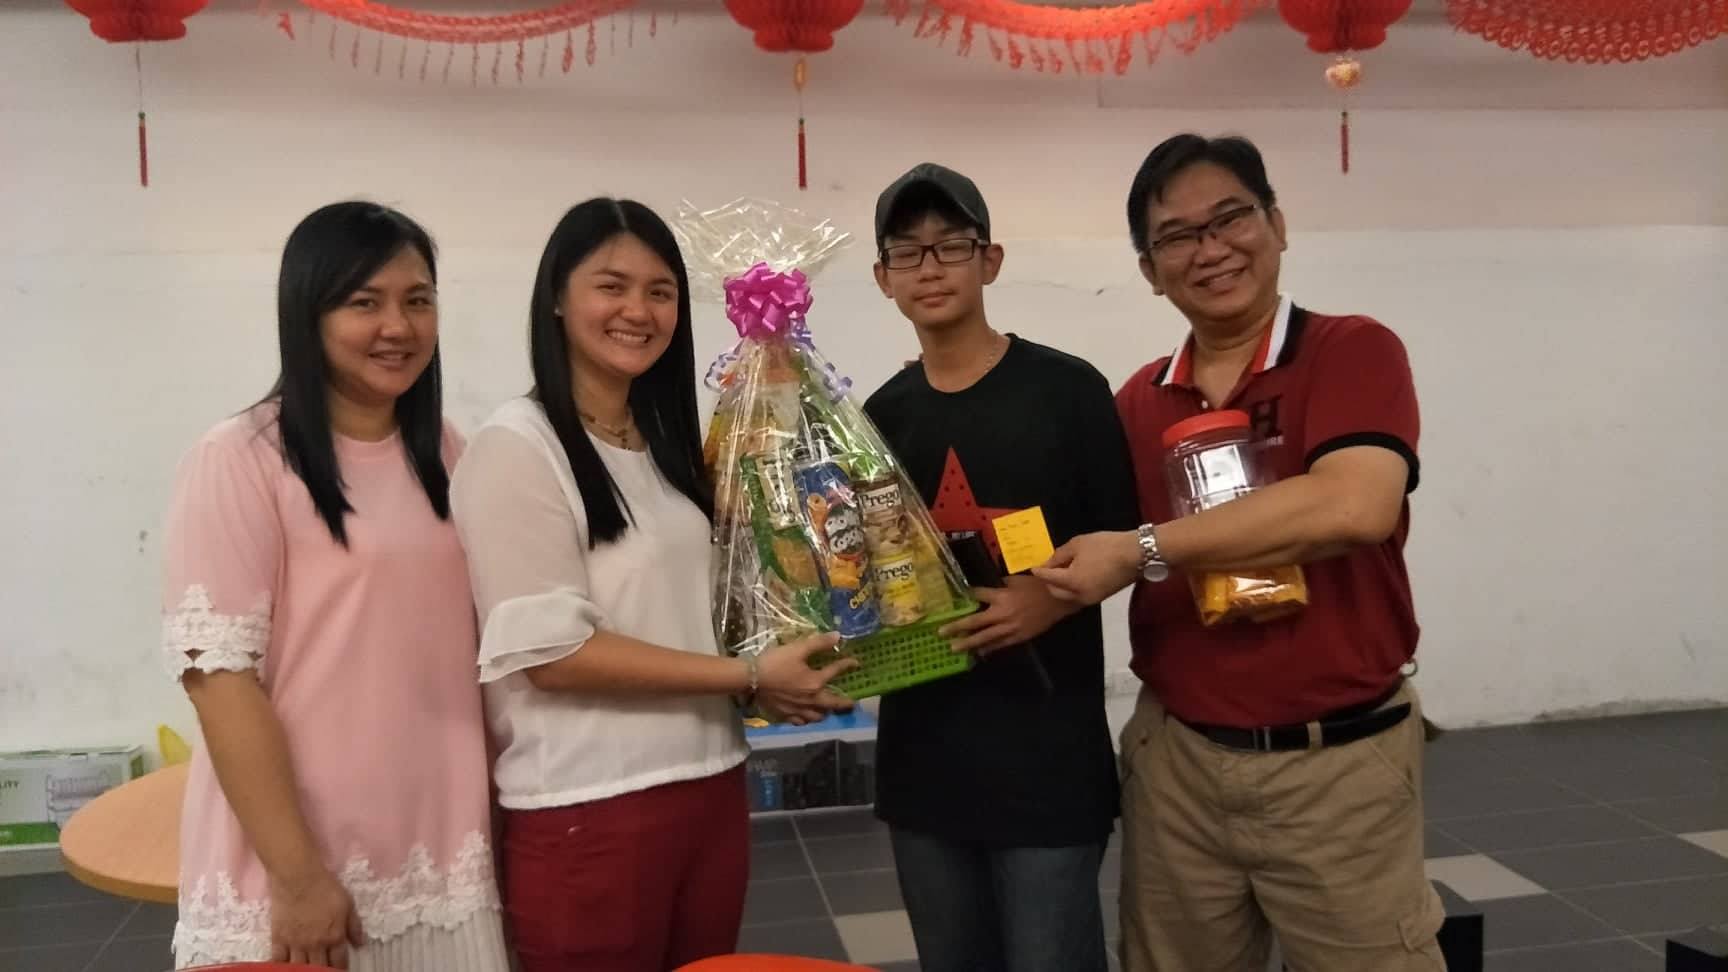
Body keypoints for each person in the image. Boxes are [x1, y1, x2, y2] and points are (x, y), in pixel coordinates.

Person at [1034, 133, 1446, 972]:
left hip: (1338, 767)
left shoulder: (1350, 350)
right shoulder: (1137, 401)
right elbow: (1070, 540)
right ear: (1150, 270)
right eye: (1179, 236)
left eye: (1231, 218)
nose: (1212, 248)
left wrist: (1143, 549)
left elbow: (1355, 504)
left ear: (1277, 225)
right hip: (1179, 767)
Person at [448, 197, 857, 972]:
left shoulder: (665, 447)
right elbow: (554, 654)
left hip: (710, 785)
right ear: (557, 298)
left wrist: (767, 682)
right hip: (590, 810)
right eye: (612, 285)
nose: (638, 310)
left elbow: (690, 618)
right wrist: (748, 675)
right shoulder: (516, 448)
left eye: (660, 291)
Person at [159, 201, 510, 970]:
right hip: (303, 879)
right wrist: (297, 876)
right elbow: (219, 682)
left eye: (418, 300)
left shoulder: (447, 453)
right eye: (364, 302)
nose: (398, 326)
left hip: (443, 859)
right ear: (307, 313)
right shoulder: (241, 458)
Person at [861, 163, 1140, 972]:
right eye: (907, 252)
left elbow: (1128, 543)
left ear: (991, 260)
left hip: (1045, 758)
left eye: (952, 245)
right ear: (883, 278)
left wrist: (1050, 601)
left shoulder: (1068, 391)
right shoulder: (877, 419)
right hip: (923, 761)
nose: (930, 267)